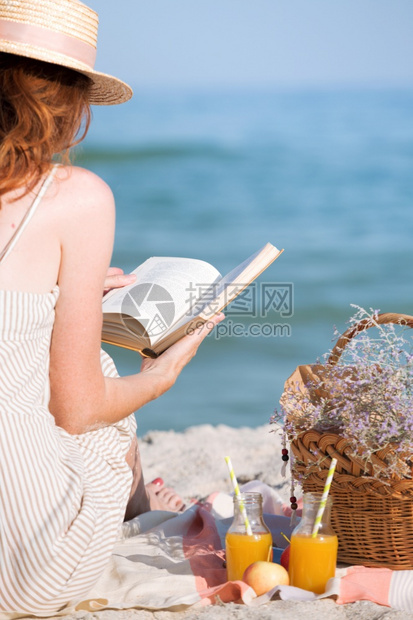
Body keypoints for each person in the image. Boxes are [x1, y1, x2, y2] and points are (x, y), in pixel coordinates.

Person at [0, 0, 223, 615]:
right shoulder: (73, 198)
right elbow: (76, 411)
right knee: (98, 377)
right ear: (69, 102)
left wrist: (54, 302)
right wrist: (160, 375)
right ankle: (139, 517)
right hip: (24, 569)